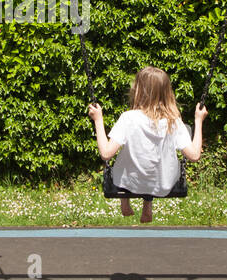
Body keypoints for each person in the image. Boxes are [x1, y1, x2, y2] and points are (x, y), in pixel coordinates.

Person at [88, 67, 206, 223]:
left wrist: (98, 120)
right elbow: (194, 155)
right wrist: (199, 120)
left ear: (138, 91)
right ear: (167, 93)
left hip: (131, 181)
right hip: (163, 184)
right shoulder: (174, 121)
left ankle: (125, 198)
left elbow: (106, 153)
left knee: (130, 159)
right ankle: (147, 204)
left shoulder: (128, 118)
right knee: (154, 163)